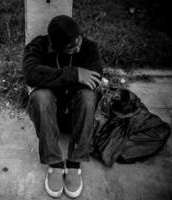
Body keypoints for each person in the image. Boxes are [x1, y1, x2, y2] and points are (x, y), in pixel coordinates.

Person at [22, 15, 102, 198]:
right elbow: (30, 74)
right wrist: (74, 75)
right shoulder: (38, 47)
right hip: (48, 118)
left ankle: (75, 163)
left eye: (78, 40)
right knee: (41, 96)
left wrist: (51, 78)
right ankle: (55, 164)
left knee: (88, 95)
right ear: (54, 46)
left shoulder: (89, 47)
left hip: (76, 116)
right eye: (71, 47)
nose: (78, 47)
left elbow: (96, 75)